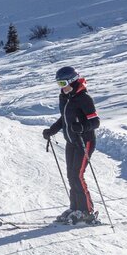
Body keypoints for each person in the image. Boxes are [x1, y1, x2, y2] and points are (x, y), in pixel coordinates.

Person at [42, 66, 101, 224]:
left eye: (63, 83)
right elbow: (64, 119)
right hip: (71, 141)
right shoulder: (65, 97)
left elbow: (95, 122)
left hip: (85, 141)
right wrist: (52, 130)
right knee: (71, 175)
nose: (61, 87)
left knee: (78, 175)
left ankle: (87, 211)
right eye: (58, 84)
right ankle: (75, 207)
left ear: (72, 81)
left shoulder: (84, 98)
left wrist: (82, 127)